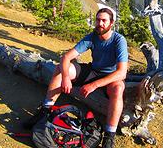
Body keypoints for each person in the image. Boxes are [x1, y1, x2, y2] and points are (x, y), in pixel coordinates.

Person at [25, 8, 128, 148]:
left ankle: (109, 136)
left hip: (110, 75)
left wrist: (94, 85)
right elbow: (66, 57)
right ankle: (45, 111)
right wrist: (66, 77)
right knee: (60, 69)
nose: (100, 23)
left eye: (104, 20)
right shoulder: (92, 36)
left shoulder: (118, 40)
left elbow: (122, 73)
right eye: (98, 20)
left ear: (111, 23)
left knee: (118, 87)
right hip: (93, 70)